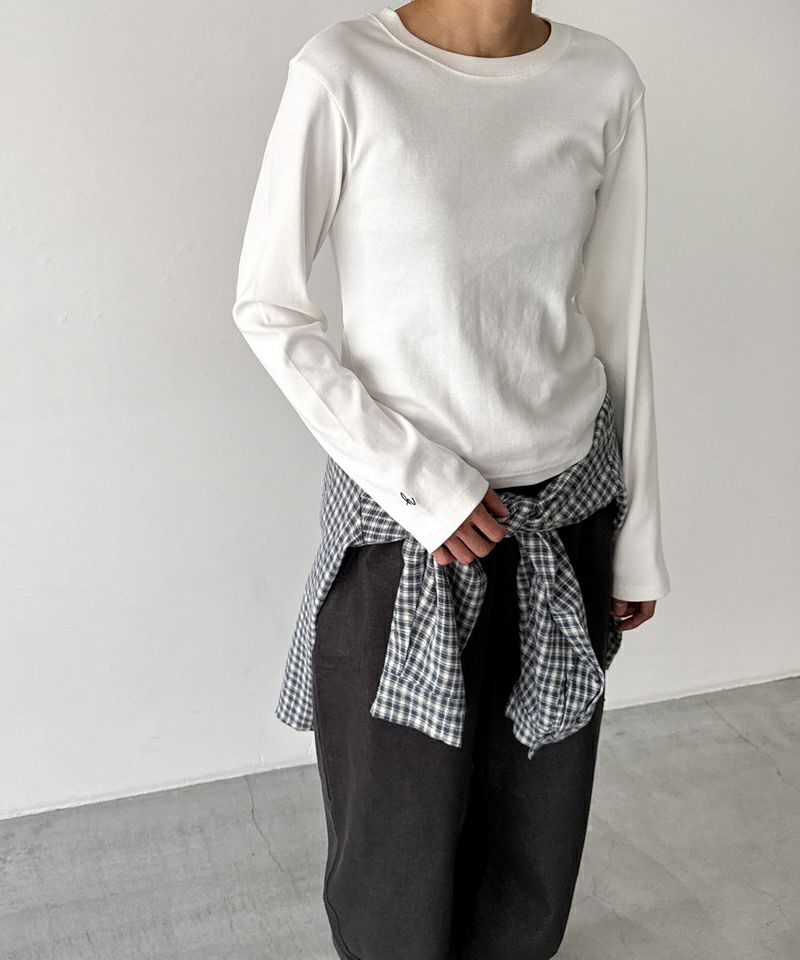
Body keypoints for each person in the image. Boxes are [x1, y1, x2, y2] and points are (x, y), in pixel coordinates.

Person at [231, 3, 671, 958]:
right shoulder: (345, 71)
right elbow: (269, 307)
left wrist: (635, 537)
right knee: (396, 865)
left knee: (532, 852)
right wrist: (420, 482)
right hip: (405, 543)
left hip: (565, 524)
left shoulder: (604, 81)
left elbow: (617, 316)